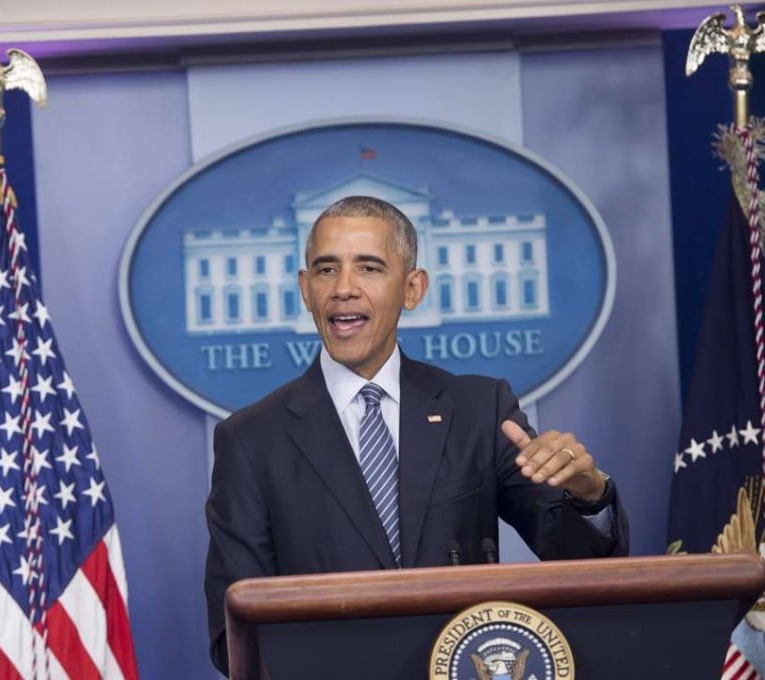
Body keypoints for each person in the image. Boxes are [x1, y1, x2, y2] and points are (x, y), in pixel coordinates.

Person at [204, 195, 628, 675]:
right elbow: (233, 635)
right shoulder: (250, 440)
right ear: (306, 290)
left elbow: (575, 559)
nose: (344, 288)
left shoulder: (478, 411)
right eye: (326, 270)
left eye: (368, 268)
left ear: (412, 288)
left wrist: (589, 495)